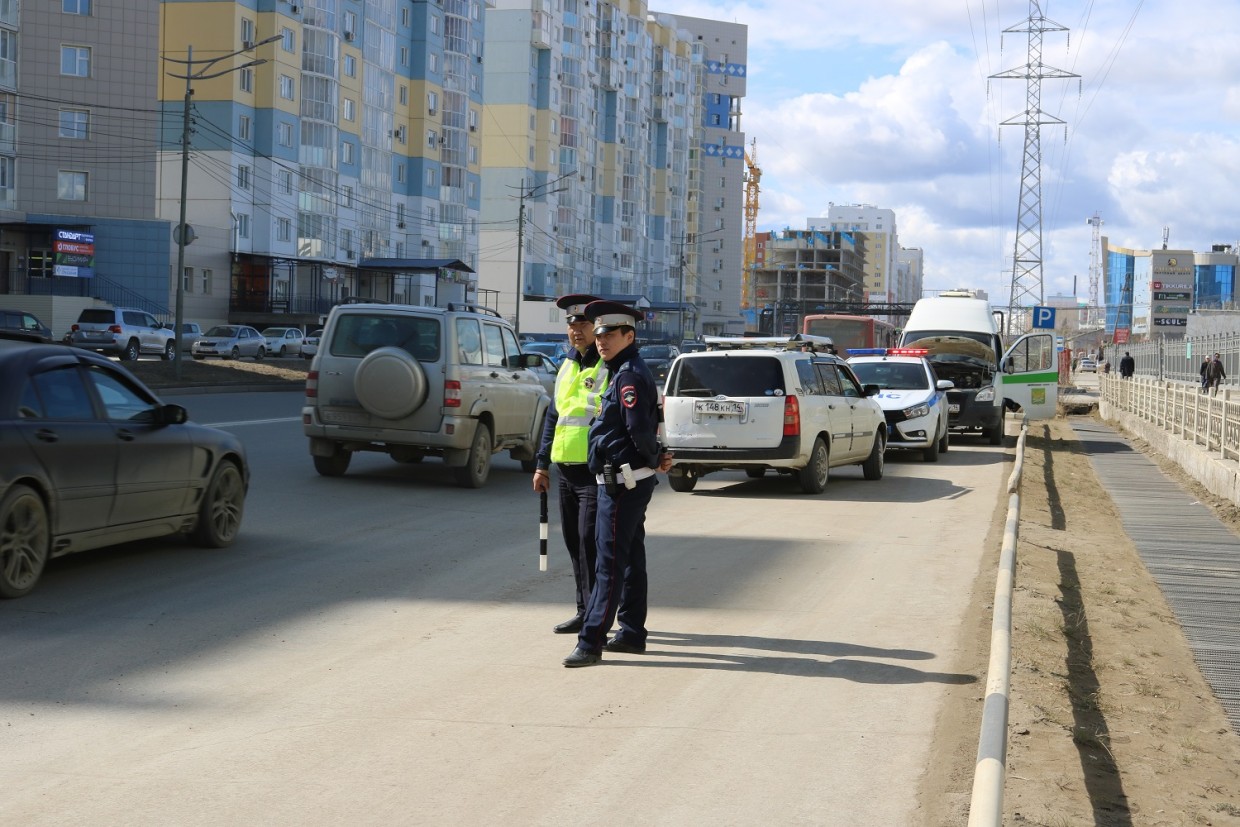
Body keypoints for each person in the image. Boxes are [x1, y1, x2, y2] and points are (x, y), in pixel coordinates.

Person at [563, 300, 672, 667]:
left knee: (609, 564)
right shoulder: (624, 369)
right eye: (598, 334)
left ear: (630, 335)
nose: (600, 340)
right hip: (627, 480)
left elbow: (638, 429)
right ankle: (631, 633)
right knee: (629, 560)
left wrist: (654, 457)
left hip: (621, 483)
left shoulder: (627, 374)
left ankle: (591, 641)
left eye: (609, 334)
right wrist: (654, 457)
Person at [532, 294, 607, 635]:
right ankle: (583, 610)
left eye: (584, 325)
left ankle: (597, 616)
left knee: (590, 543)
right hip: (565, 470)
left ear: (597, 327)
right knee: (574, 545)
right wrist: (542, 464)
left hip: (595, 471)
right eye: (572, 325)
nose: (577, 331)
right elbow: (554, 416)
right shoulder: (566, 365)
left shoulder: (606, 366)